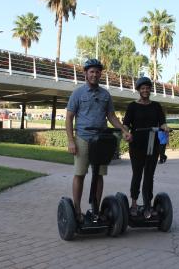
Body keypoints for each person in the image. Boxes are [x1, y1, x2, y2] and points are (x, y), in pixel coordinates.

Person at [65, 59, 132, 222]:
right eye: (91, 71)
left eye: (97, 71)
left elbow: (111, 116)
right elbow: (68, 118)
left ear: (100, 74)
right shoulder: (78, 93)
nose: (95, 74)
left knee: (99, 175)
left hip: (101, 140)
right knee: (79, 174)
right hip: (83, 138)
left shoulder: (105, 94)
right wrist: (71, 141)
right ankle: (77, 210)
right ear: (86, 74)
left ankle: (96, 209)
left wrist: (124, 130)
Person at [123, 77, 169, 219]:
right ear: (138, 90)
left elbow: (162, 123)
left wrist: (165, 127)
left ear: (150, 90)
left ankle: (148, 204)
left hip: (152, 144)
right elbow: (126, 124)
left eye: (147, 88)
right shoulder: (132, 106)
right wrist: (126, 133)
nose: (145, 90)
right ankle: (134, 203)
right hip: (136, 144)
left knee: (149, 175)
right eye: (142, 88)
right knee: (137, 173)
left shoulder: (156, 106)